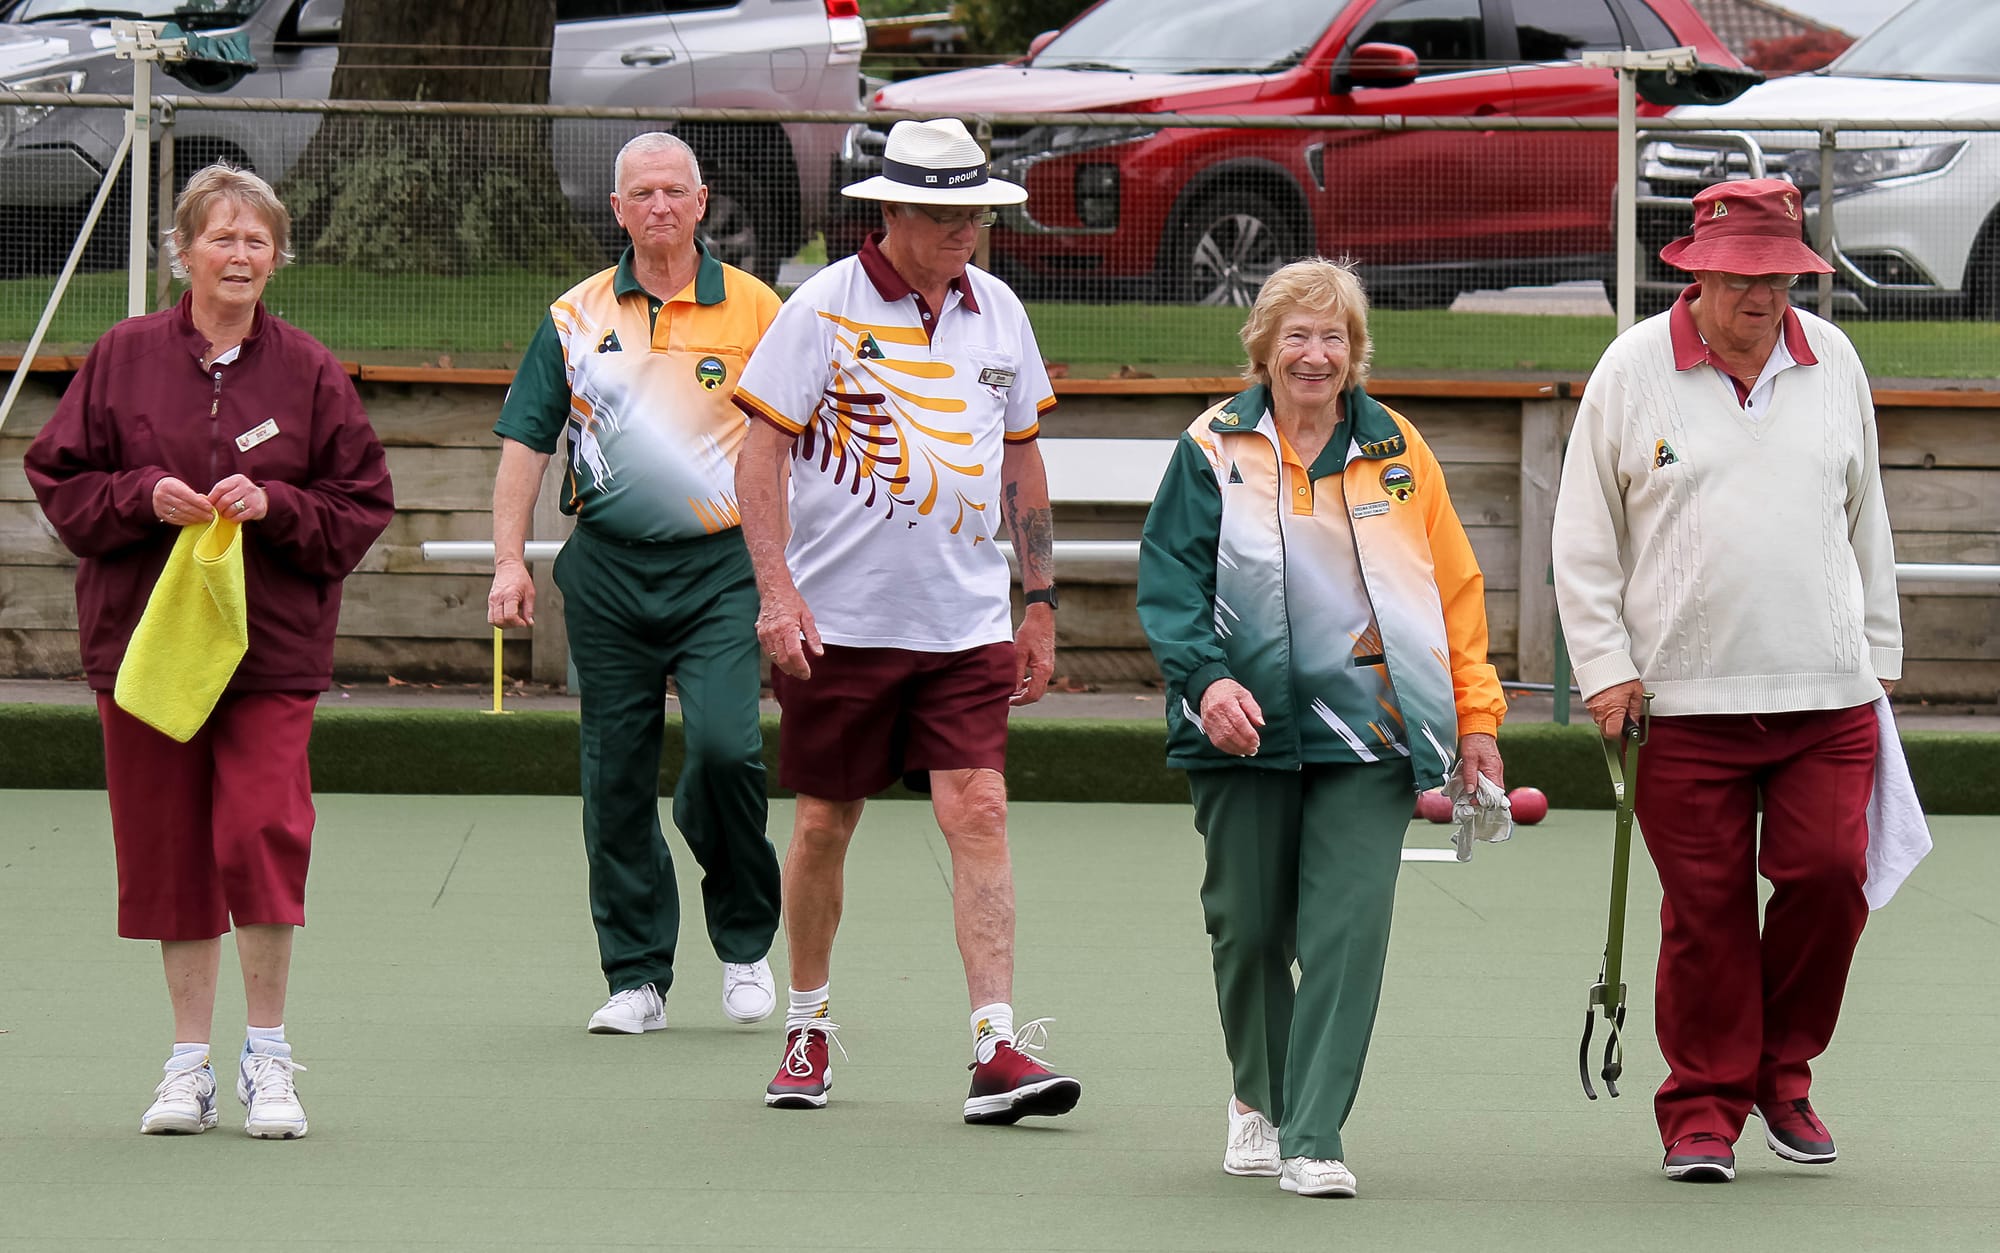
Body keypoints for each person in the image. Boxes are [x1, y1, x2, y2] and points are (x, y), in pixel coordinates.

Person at [24, 164, 394, 1139]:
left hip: (268, 650)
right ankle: (185, 1063)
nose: (239, 254)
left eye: (257, 239)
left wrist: (277, 505)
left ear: (278, 256)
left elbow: (361, 507)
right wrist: (139, 493)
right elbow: (61, 478)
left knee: (260, 831)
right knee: (168, 848)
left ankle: (267, 1054)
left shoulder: (310, 369)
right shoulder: (121, 354)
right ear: (181, 252)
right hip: (143, 649)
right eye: (221, 237)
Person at [731, 118, 1081, 1124]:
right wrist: (776, 592)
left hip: (966, 625)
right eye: (942, 212)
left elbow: (1020, 459)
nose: (963, 228)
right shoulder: (819, 309)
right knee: (822, 824)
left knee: (979, 808)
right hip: (838, 624)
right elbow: (759, 457)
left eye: (974, 209)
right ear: (889, 211)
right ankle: (806, 1024)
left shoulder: (999, 310)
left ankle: (993, 1045)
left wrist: (1041, 599)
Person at [1553, 179, 1902, 1184]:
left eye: (1781, 275)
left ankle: (1779, 1072)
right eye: (1744, 276)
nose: (1763, 296)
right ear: (1696, 273)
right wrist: (1604, 669)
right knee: (1703, 910)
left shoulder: (1831, 359)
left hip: (1826, 695)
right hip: (1679, 703)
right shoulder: (1630, 368)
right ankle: (1701, 1106)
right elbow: (1582, 537)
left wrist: (1877, 660)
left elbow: (1864, 517)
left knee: (1831, 877)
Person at [1137, 257, 1506, 1199]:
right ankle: (1258, 1097)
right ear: (1262, 347)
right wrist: (1206, 681)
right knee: (1250, 929)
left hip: (1372, 734)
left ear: (1355, 350)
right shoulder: (1210, 448)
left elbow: (1455, 591)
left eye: (1333, 336)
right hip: (1241, 730)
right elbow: (1170, 586)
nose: (1315, 354)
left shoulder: (1397, 450)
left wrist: (1477, 719)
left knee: (1347, 929)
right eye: (1296, 336)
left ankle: (1313, 1130)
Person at [487, 133, 784, 1035]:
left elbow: (799, 442)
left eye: (674, 191)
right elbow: (524, 446)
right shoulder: (573, 315)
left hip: (722, 570)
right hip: (608, 571)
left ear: (701, 203)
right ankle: (637, 975)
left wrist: (793, 577)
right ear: (617, 210)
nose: (659, 205)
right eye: (641, 193)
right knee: (614, 775)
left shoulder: (762, 310)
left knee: (727, 751)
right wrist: (508, 561)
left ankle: (743, 944)